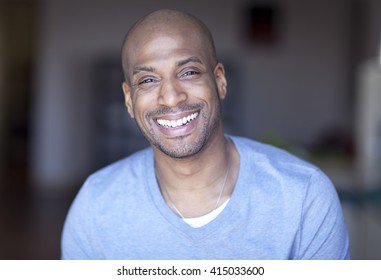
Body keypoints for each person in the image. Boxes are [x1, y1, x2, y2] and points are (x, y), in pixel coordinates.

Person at [61, 9, 350, 259]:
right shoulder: (96, 205)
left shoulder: (304, 196)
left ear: (220, 81)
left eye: (188, 72)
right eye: (148, 80)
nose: (171, 97)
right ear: (128, 101)